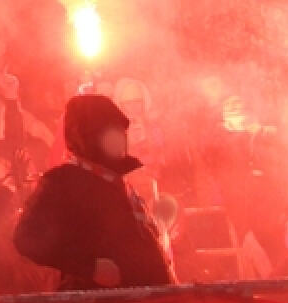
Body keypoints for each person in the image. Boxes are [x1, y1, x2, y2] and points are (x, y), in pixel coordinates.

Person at [10, 94, 170, 292]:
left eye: (121, 131)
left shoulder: (120, 183)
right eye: (110, 131)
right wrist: (90, 267)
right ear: (86, 136)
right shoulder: (62, 181)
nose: (121, 138)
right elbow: (27, 238)